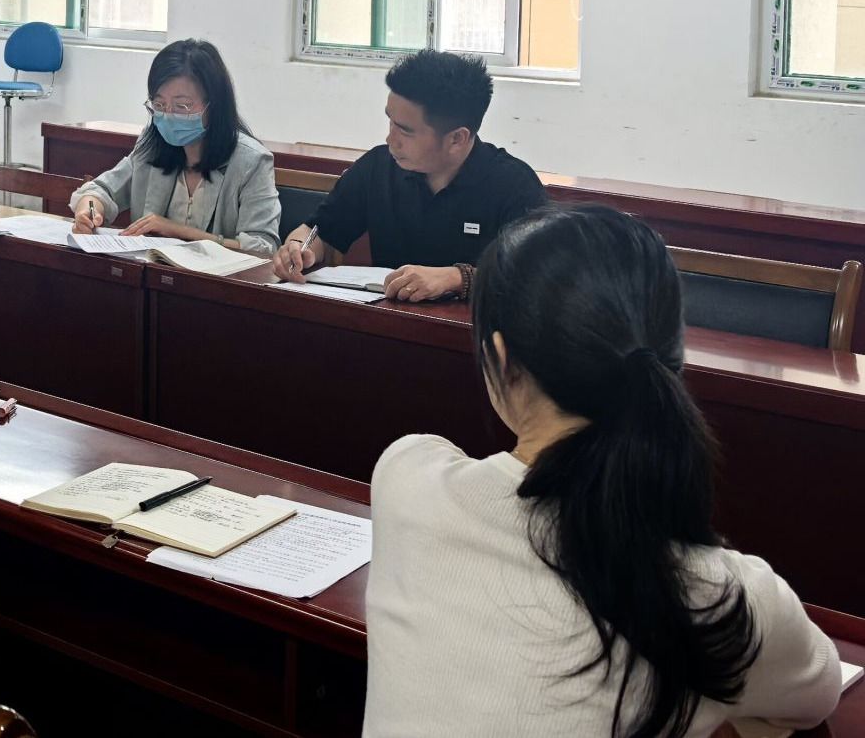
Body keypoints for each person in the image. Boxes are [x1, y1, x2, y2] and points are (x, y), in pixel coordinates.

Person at [364, 205, 842, 736]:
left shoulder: (407, 481)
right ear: (671, 358)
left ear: (501, 356)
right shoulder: (730, 599)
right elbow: (816, 698)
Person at [269, 49, 546, 302]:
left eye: (405, 130)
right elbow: (321, 231)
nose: (390, 139)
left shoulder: (513, 185)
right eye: (390, 121)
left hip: (471, 335)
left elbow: (537, 278)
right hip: (385, 324)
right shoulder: (377, 167)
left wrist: (456, 278)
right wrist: (297, 247)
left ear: (457, 139)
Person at [68, 39, 280, 254]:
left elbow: (263, 247)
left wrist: (179, 231)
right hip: (153, 271)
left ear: (214, 105)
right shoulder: (152, 146)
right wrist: (88, 209)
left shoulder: (251, 162)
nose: (167, 115)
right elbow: (102, 190)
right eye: (159, 104)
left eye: (182, 106)